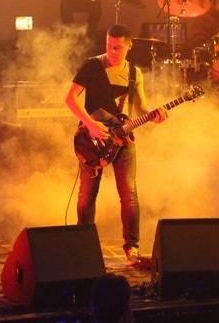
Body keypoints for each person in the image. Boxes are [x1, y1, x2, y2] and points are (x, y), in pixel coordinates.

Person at [65, 24, 168, 266]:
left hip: (123, 139)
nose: (112, 51)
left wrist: (153, 115)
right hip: (91, 140)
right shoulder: (92, 65)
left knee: (129, 194)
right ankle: (82, 245)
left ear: (129, 46)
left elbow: (140, 107)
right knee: (87, 195)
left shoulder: (134, 73)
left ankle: (132, 248)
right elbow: (70, 98)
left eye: (118, 47)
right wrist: (90, 124)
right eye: (109, 46)